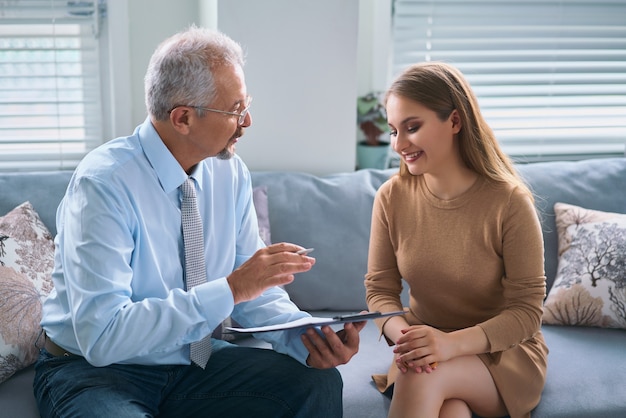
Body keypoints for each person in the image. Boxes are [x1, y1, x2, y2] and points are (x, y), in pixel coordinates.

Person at [33, 26, 365, 418]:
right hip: (93, 370)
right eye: (236, 110)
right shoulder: (103, 184)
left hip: (194, 363)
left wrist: (308, 338)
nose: (248, 121)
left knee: (315, 382)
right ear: (183, 118)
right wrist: (230, 288)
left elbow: (253, 292)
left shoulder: (230, 173)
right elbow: (103, 336)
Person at [364, 62, 548, 418]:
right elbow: (379, 290)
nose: (399, 144)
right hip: (425, 347)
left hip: (501, 354)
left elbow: (526, 312)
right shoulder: (391, 197)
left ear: (455, 121)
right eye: (393, 131)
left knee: (417, 376)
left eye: (412, 127)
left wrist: (448, 345)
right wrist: (406, 338)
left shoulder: (509, 202)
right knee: (452, 411)